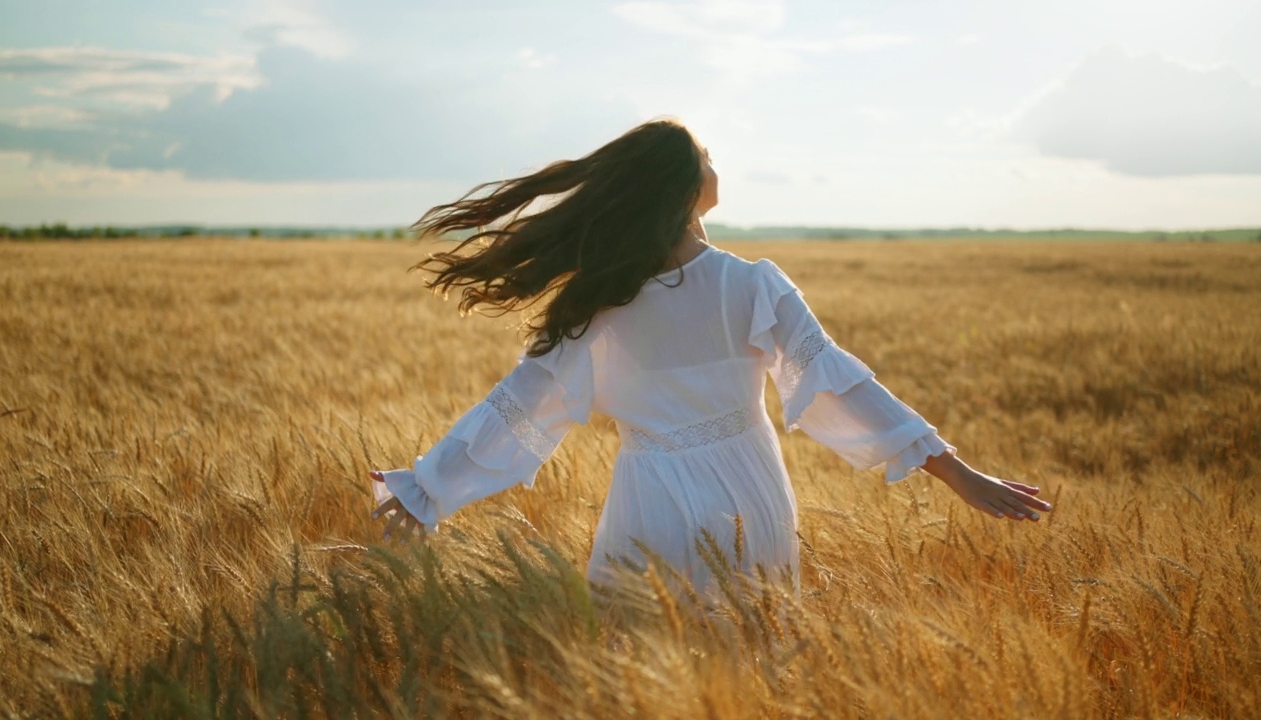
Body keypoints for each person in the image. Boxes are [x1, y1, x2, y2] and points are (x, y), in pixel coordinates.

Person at [368, 118, 1051, 595]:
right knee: (749, 665)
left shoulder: (597, 304)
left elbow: (518, 408)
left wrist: (426, 491)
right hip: (750, 500)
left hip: (649, 502)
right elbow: (840, 384)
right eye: (708, 156)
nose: (718, 167)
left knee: (639, 670)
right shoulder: (752, 284)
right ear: (684, 186)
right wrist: (958, 473)